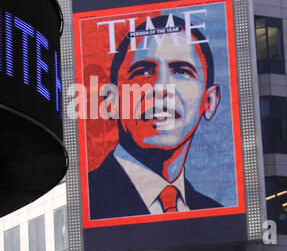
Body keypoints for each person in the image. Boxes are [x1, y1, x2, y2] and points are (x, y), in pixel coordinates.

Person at [87, 13, 223, 220]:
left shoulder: (216, 215)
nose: (161, 87)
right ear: (111, 102)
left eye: (181, 71)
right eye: (143, 72)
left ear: (210, 101)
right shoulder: (89, 202)